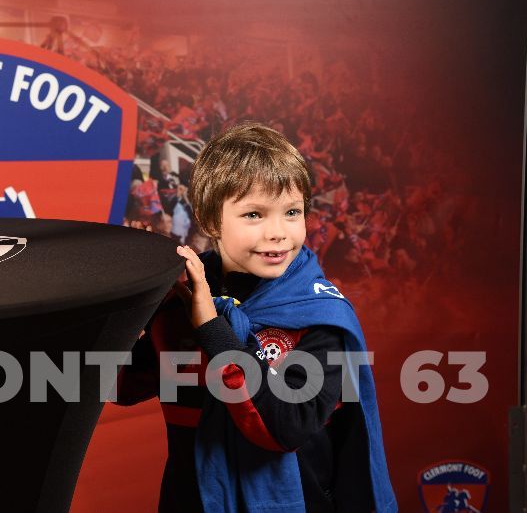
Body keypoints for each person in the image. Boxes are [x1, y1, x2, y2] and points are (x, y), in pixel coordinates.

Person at [116, 122, 396, 513]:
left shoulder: (320, 318)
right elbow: (120, 387)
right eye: (254, 214)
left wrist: (213, 330)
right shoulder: (179, 302)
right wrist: (125, 309)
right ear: (211, 220)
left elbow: (285, 428)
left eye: (292, 212)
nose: (278, 232)